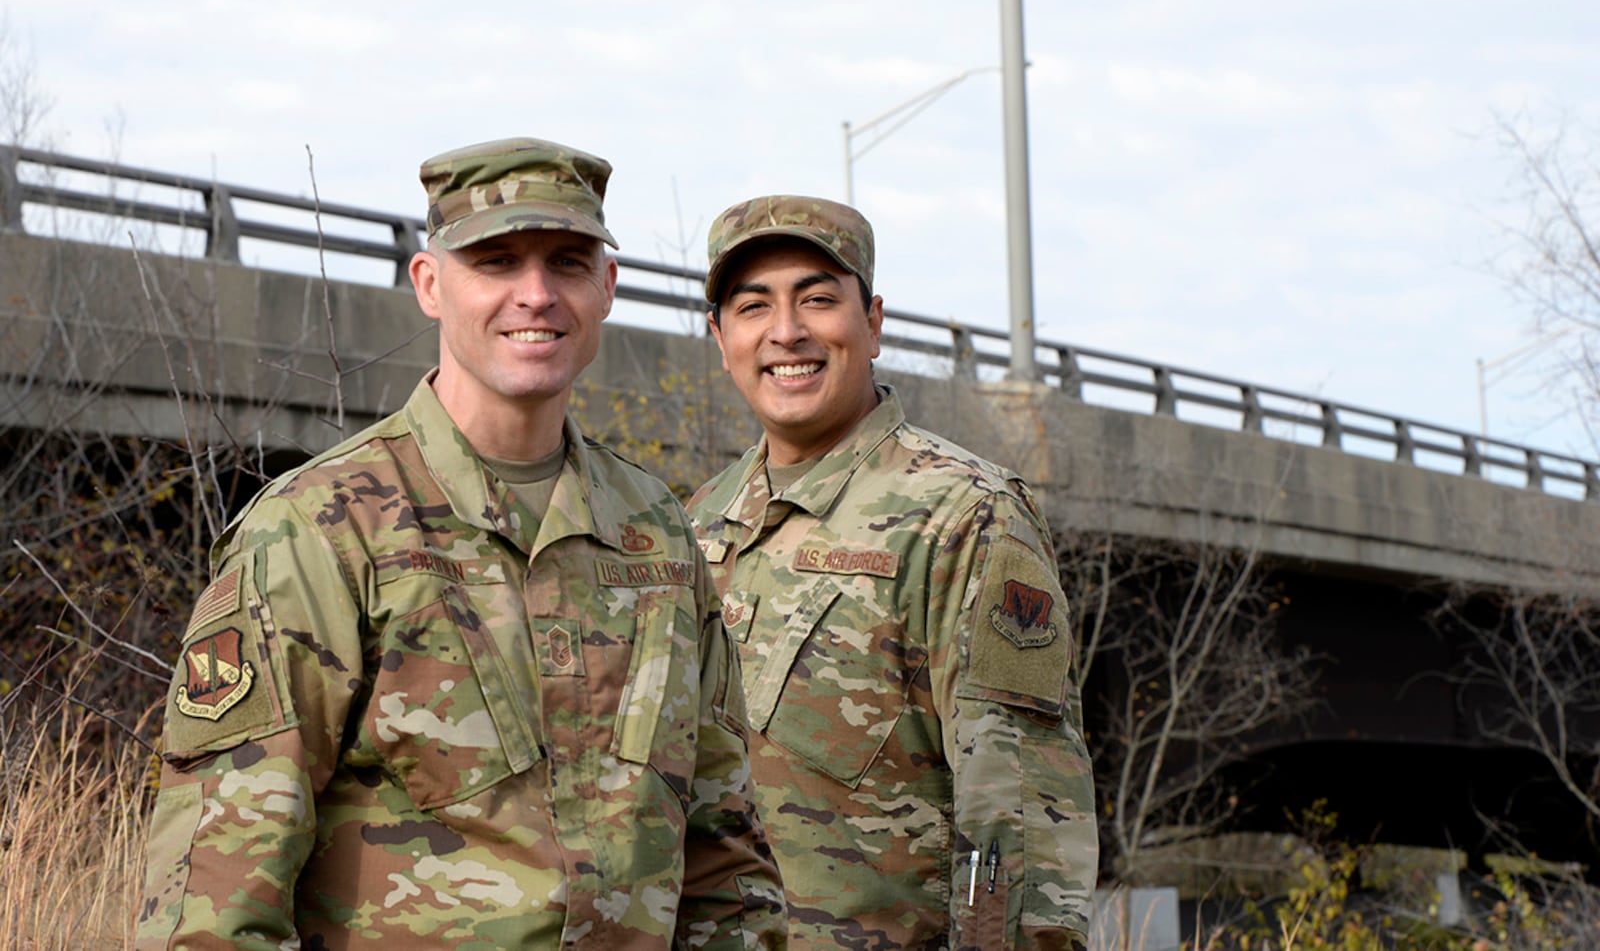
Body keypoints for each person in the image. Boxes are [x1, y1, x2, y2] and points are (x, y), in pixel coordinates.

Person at [136, 138, 785, 949]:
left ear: (607, 288)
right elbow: (216, 893)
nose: (536, 295)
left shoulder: (656, 533)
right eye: (497, 261)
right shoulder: (323, 526)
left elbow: (726, 860)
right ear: (431, 284)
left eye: (569, 263)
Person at [688, 195, 1097, 949]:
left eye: (817, 298)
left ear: (872, 323)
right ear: (720, 337)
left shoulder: (964, 515)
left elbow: (1017, 812)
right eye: (753, 306)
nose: (787, 331)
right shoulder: (697, 524)